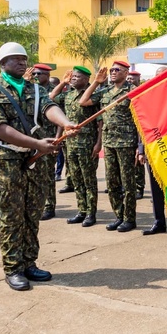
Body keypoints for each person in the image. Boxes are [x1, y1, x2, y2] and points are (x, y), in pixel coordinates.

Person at [0, 42, 75, 291]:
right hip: (5, 159)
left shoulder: (35, 88)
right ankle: (13, 268)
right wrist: (37, 144)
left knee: (32, 212)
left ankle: (29, 262)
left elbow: (48, 107)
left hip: (35, 158)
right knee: (12, 214)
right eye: (15, 59)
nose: (22, 62)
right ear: (3, 63)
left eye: (24, 58)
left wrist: (66, 123)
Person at [80, 60, 144, 232]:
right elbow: (83, 101)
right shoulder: (105, 92)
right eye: (112, 70)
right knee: (112, 182)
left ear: (126, 73)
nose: (113, 72)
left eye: (117, 70)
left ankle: (130, 219)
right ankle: (119, 215)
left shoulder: (132, 92)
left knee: (128, 183)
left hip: (126, 143)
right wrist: (96, 82)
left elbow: (140, 120)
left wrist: (140, 146)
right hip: (109, 143)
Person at [50, 66, 103, 227]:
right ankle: (81, 210)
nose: (73, 79)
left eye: (77, 77)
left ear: (86, 79)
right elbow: (51, 97)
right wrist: (63, 82)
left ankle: (91, 213)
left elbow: (100, 122)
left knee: (88, 180)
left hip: (87, 143)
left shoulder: (93, 95)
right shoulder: (68, 94)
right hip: (71, 143)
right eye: (72, 77)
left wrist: (98, 143)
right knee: (76, 179)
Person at [143, 66, 167, 236]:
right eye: (156, 76)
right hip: (153, 150)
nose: (158, 79)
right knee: (155, 191)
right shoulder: (147, 98)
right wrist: (141, 150)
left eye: (162, 76)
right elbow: (142, 126)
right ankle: (159, 221)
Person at [30, 63, 58, 220]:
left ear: (47, 75)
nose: (35, 76)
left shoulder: (52, 92)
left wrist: (58, 140)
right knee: (34, 174)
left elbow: (59, 118)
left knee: (47, 175)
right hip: (33, 139)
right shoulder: (31, 91)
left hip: (49, 138)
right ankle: (37, 204)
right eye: (34, 74)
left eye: (39, 74)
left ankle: (49, 206)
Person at [127, 70, 146, 199]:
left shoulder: (141, 92)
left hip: (138, 132)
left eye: (132, 79)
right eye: (128, 79)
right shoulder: (125, 93)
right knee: (128, 164)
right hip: (126, 133)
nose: (130, 81)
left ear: (138, 79)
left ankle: (140, 187)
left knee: (139, 163)